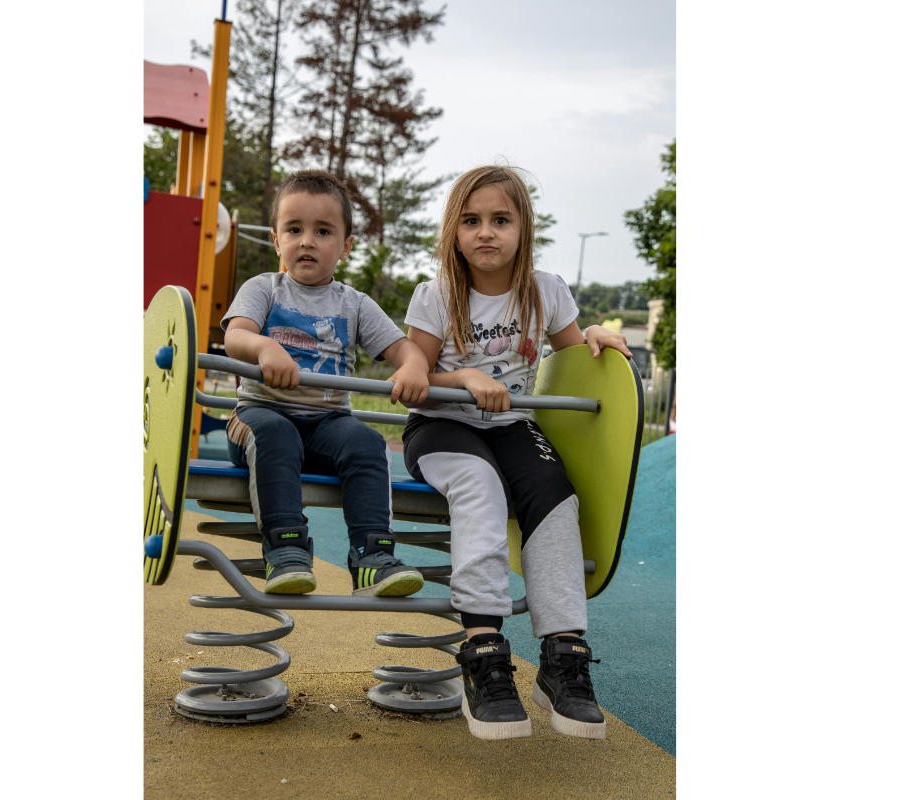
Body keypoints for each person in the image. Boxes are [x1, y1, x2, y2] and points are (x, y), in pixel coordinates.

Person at [402, 166, 633, 740]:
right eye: (472, 220)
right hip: (441, 426)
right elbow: (415, 373)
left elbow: (574, 354)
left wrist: (598, 336)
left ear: (523, 228)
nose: (486, 232)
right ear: (453, 232)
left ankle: (563, 655)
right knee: (480, 489)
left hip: (512, 425)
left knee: (555, 498)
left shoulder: (545, 290)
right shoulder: (436, 296)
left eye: (500, 220)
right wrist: (466, 378)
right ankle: (482, 646)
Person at [222, 170, 431, 598]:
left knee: (367, 443)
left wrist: (413, 367)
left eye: (323, 231)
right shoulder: (265, 289)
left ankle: (372, 555)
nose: (307, 241)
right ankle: (286, 549)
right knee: (276, 434)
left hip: (325, 424)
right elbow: (234, 336)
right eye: (294, 230)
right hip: (258, 416)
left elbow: (404, 350)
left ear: (345, 246)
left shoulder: (354, 304)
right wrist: (264, 347)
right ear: (278, 241)